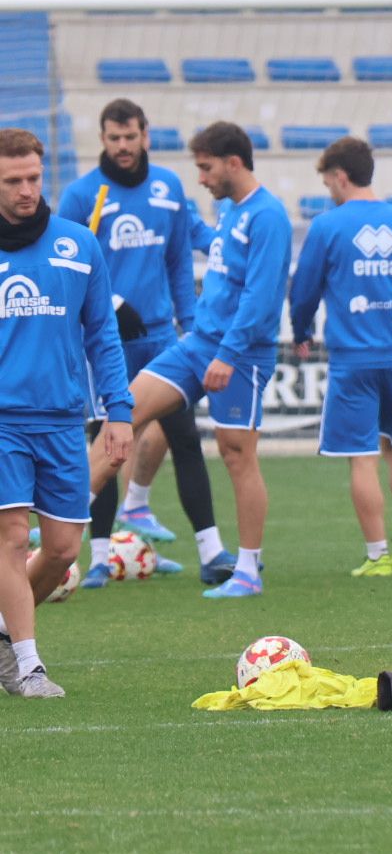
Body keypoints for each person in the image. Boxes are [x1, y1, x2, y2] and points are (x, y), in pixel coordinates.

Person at [85, 121, 291, 598]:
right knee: (123, 413)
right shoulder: (228, 210)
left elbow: (261, 298)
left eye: (205, 167)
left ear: (233, 163)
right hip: (198, 343)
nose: (200, 177)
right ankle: (63, 518)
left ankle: (247, 570)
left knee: (238, 454)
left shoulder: (269, 217)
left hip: (240, 354)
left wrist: (229, 353)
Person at [58, 98, 230, 587]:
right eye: (114, 139)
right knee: (107, 444)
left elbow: (178, 261)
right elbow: (69, 269)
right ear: (103, 140)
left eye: (130, 137)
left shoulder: (168, 188)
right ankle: (95, 558)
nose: (123, 147)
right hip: (104, 343)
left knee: (185, 439)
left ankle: (212, 551)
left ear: (146, 136)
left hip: (160, 340)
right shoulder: (81, 196)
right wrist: (111, 302)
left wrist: (192, 324)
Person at [0, 128, 133, 697]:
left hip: (62, 420)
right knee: (9, 536)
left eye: (33, 177)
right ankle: (28, 665)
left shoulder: (79, 245)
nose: (27, 189)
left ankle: (4, 631)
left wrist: (119, 411)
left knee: (60, 550)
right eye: (13, 181)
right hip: (3, 421)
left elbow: (103, 334)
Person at [287, 137, 392, 576]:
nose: (328, 189)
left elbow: (303, 290)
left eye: (328, 181)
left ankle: (378, 555)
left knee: (362, 456)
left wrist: (301, 331)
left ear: (340, 176)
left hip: (354, 359)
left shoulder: (327, 227)